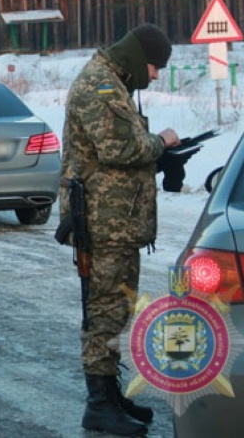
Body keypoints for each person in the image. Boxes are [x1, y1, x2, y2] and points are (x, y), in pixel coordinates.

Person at [59, 24, 182, 437]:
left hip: (116, 223)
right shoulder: (100, 87)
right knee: (104, 313)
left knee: (116, 309)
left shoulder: (112, 83)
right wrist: (162, 143)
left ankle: (109, 396)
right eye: (154, 66)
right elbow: (120, 148)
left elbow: (113, 149)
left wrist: (160, 155)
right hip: (102, 224)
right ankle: (98, 405)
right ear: (135, 57)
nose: (155, 75)